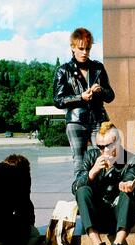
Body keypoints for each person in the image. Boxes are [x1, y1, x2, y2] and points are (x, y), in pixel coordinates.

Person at [72, 121, 135, 245]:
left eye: (108, 145)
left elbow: (132, 176)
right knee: (82, 190)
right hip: (97, 216)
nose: (103, 150)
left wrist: (129, 183)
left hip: (120, 216)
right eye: (99, 146)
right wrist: (92, 172)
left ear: (118, 142)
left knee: (127, 192)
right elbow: (75, 187)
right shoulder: (91, 156)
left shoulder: (131, 159)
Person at [53, 27, 115, 177]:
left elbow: (111, 96)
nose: (84, 52)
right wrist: (80, 97)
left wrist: (101, 90)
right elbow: (58, 100)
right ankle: (82, 196)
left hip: (98, 119)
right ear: (72, 47)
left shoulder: (98, 67)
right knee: (80, 162)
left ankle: (103, 196)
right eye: (81, 48)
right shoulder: (63, 70)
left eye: (87, 48)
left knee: (105, 158)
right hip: (76, 121)